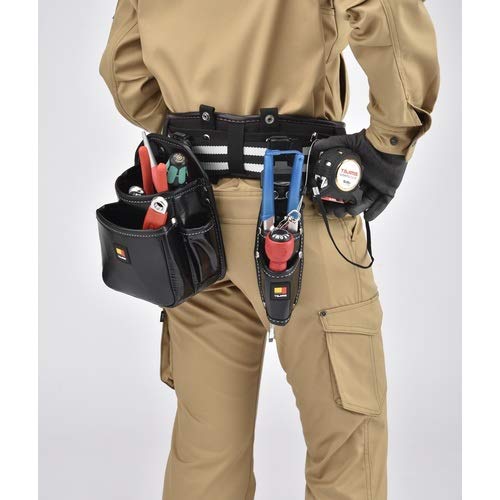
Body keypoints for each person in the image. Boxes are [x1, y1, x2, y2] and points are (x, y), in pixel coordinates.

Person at [100, 1, 439, 498]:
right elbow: (382, 10)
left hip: (192, 224)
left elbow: (124, 69)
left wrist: (192, 134)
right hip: (302, 209)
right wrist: (390, 140)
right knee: (347, 442)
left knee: (206, 452)